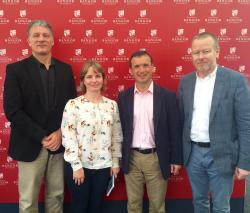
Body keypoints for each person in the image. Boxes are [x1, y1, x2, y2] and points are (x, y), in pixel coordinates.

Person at [3, 20, 77, 213]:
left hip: (59, 145)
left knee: (56, 197)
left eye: (45, 35)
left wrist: (60, 134)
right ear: (28, 40)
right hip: (29, 144)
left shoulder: (65, 70)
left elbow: (72, 109)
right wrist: (42, 136)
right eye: (36, 35)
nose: (41, 39)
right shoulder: (15, 70)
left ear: (52, 40)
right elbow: (12, 110)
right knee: (28, 202)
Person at [178, 32, 250, 213]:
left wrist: (245, 162)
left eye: (206, 51)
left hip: (222, 155)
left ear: (217, 52)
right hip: (193, 154)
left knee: (221, 206)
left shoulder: (236, 80)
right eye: (196, 52)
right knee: (199, 201)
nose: (200, 57)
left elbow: (245, 125)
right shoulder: (185, 82)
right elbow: (182, 120)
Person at [118, 50, 183, 213]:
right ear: (130, 70)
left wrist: (176, 159)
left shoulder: (167, 96)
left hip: (157, 158)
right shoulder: (124, 97)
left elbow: (175, 129)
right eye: (137, 66)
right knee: (133, 205)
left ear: (153, 67)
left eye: (146, 65)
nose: (142, 70)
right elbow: (119, 130)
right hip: (131, 159)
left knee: (157, 206)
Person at [61, 60, 122, 213]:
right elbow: (68, 136)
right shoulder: (73, 104)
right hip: (80, 167)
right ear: (83, 81)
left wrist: (115, 162)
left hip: (103, 167)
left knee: (97, 206)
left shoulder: (112, 105)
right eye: (89, 77)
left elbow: (116, 134)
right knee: (79, 206)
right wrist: (76, 165)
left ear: (103, 79)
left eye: (97, 76)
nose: (94, 80)